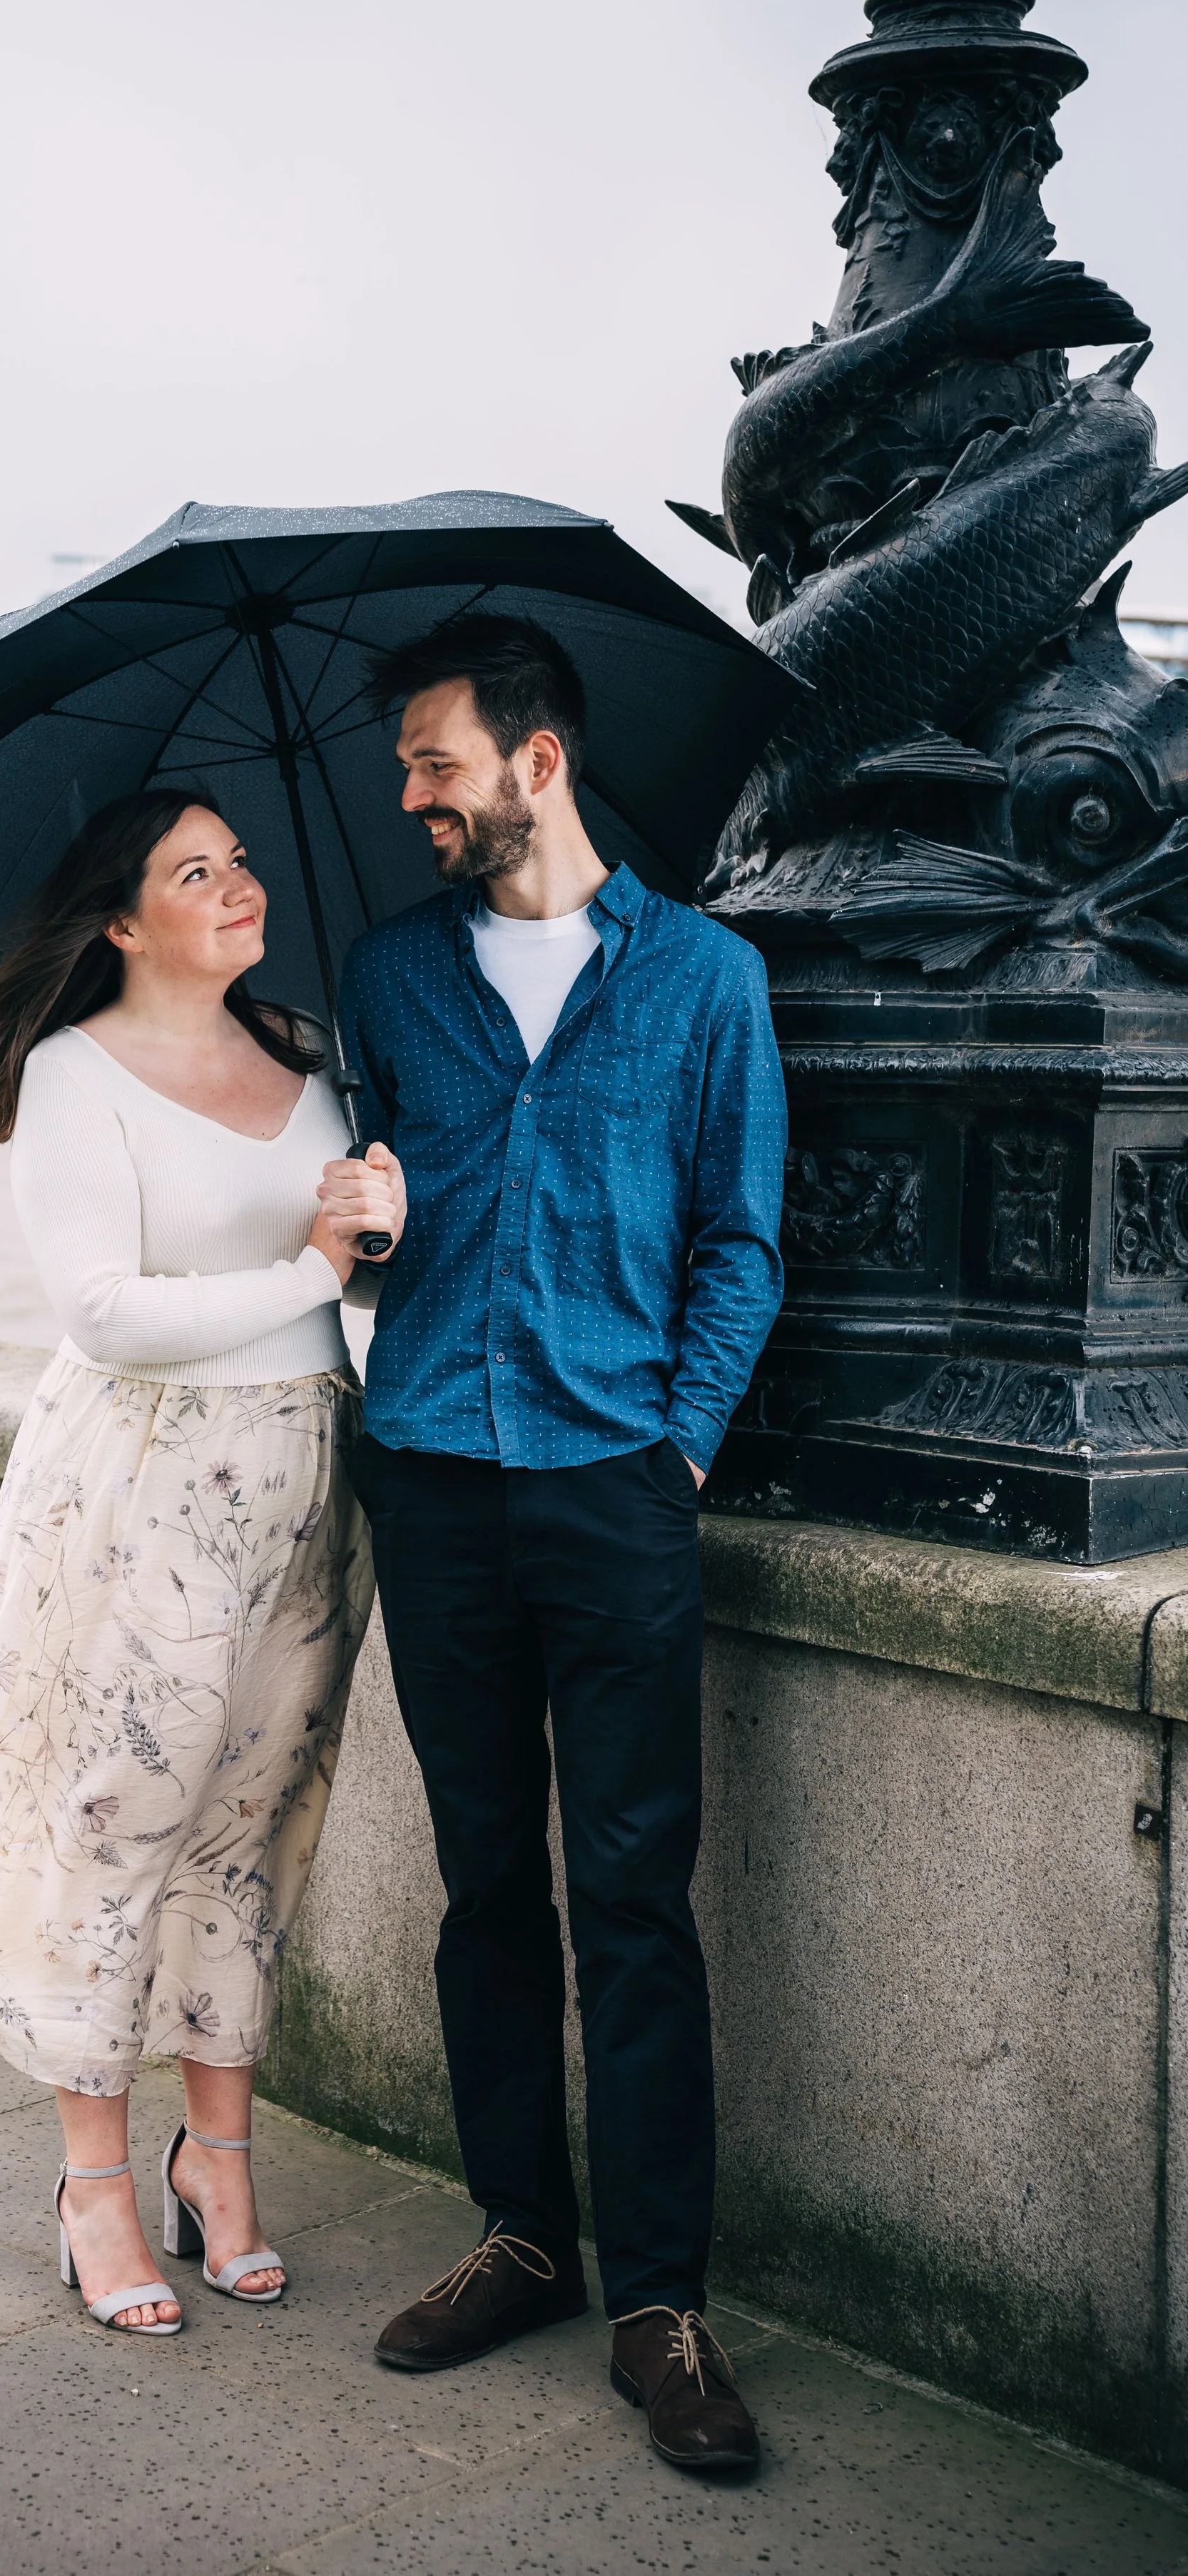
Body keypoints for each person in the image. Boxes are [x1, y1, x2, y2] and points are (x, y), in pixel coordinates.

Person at [325, 615, 785, 2472]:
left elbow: (736, 1241)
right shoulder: (387, 976)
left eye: (433, 760)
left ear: (537, 759)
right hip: (429, 1477)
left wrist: (673, 1446)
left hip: (612, 1487)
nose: (410, 796)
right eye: (403, 767)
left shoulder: (704, 982)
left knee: (633, 1899)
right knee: (481, 1885)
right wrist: (355, 1220)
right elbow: (374, 1211)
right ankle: (518, 2228)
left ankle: (658, 2301)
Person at [0, 786, 404, 2336]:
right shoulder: (75, 1075)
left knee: (254, 1829)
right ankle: (94, 2192)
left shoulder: (310, 1057)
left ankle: (221, 2164)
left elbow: (339, 1288)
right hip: (142, 1491)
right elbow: (104, 1312)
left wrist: (374, 1228)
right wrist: (307, 1265)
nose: (238, 886)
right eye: (195, 872)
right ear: (123, 922)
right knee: (114, 1824)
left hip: (306, 1480)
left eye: (241, 860)